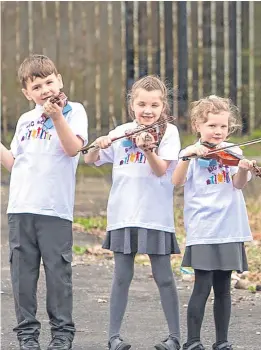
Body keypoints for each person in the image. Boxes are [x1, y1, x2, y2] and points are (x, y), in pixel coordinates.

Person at [84, 75, 181, 350]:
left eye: (154, 105)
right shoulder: (121, 131)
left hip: (155, 215)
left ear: (163, 107)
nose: (148, 110)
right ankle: (113, 337)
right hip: (123, 214)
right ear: (132, 105)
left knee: (163, 276)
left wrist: (148, 149)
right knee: (122, 277)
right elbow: (89, 159)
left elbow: (161, 170)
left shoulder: (168, 133)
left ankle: (174, 337)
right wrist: (98, 143)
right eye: (142, 104)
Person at [0, 54, 88, 350]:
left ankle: (62, 334)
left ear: (59, 80)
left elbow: (73, 148)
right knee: (23, 277)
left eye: (49, 82)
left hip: (54, 209)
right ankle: (27, 336)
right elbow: (15, 163)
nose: (45, 90)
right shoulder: (26, 120)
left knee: (57, 275)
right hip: (21, 207)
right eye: (37, 86)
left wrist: (57, 116)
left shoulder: (74, 111)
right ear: (27, 93)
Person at [172, 95, 257, 350]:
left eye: (222, 126)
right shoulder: (189, 153)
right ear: (198, 125)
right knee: (202, 286)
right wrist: (187, 157)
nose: (218, 131)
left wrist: (243, 168)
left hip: (229, 227)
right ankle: (193, 341)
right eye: (212, 126)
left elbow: (238, 184)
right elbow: (176, 181)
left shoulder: (234, 152)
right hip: (203, 229)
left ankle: (222, 341)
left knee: (224, 288)